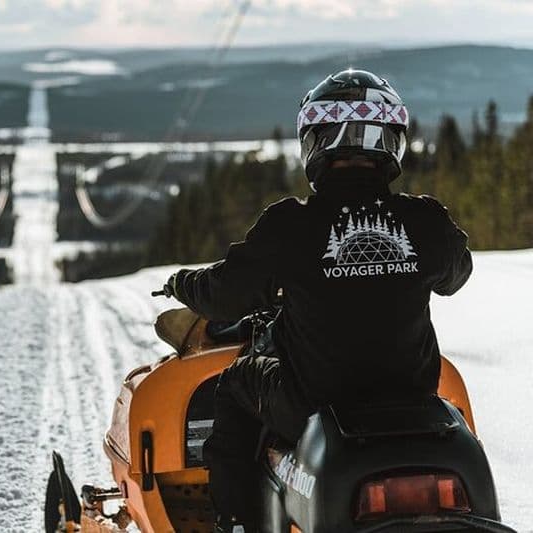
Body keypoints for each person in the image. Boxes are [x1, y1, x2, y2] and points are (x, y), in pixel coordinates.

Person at [162, 69, 473, 533]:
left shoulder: (290, 224)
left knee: (235, 384)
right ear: (391, 141)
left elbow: (224, 297)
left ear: (316, 142)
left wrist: (183, 283)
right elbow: (456, 275)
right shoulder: (424, 219)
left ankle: (238, 522)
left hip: (314, 402)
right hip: (409, 395)